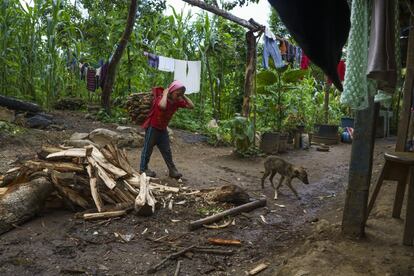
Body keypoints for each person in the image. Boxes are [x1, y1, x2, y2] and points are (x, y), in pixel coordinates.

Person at [140, 80, 194, 179]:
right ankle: (143, 169)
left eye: (181, 95)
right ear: (171, 91)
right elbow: (162, 106)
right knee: (148, 149)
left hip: (163, 129)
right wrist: (165, 94)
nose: (179, 97)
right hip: (153, 128)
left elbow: (191, 106)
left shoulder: (177, 102)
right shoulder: (160, 99)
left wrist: (183, 95)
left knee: (167, 151)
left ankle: (172, 171)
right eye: (177, 94)